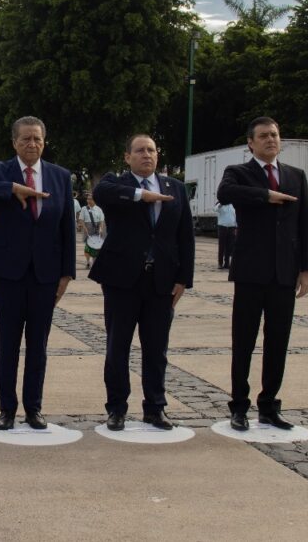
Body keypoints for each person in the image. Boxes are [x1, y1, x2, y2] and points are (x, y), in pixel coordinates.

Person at [0, 116, 76, 431]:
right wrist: (11, 188)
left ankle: (34, 408)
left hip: (46, 275)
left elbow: (67, 228)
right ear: (14, 142)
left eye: (37, 139)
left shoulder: (59, 176)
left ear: (44, 141)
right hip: (8, 273)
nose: (32, 144)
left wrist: (66, 274)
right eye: (25, 139)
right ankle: (6, 409)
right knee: (9, 343)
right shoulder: (0, 171)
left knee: (38, 344)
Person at [217, 117, 308, 432]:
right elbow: (226, 192)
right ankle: (239, 407)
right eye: (263, 136)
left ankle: (269, 405)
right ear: (251, 143)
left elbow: (306, 224)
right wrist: (266, 196)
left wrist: (307, 269)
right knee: (243, 342)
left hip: (284, 273)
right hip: (250, 272)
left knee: (277, 342)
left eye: (274, 134)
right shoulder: (239, 173)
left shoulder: (295, 176)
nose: (271, 140)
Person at [91, 134, 193, 431]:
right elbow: (102, 193)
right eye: (139, 150)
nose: (146, 155)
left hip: (161, 281)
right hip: (122, 281)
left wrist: (184, 278)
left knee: (156, 348)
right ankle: (117, 408)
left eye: (151, 150)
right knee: (117, 347)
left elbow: (184, 236)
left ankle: (155, 407)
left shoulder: (176, 188)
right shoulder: (117, 183)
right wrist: (141, 196)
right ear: (127, 157)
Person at [80, 194, 106, 269]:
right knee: (88, 247)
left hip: (97, 228)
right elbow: (81, 220)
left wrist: (101, 228)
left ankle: (94, 263)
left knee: (96, 247)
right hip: (87, 228)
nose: (88, 200)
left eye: (90, 199)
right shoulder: (84, 208)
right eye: (88, 199)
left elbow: (101, 220)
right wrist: (85, 228)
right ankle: (88, 261)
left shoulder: (99, 209)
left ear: (95, 200)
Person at [216, 202, 238, 270]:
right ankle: (220, 263)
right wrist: (221, 203)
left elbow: (236, 216)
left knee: (229, 246)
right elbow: (216, 209)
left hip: (232, 228)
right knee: (222, 246)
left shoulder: (233, 205)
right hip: (222, 227)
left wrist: (236, 227)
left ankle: (227, 263)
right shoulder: (221, 204)